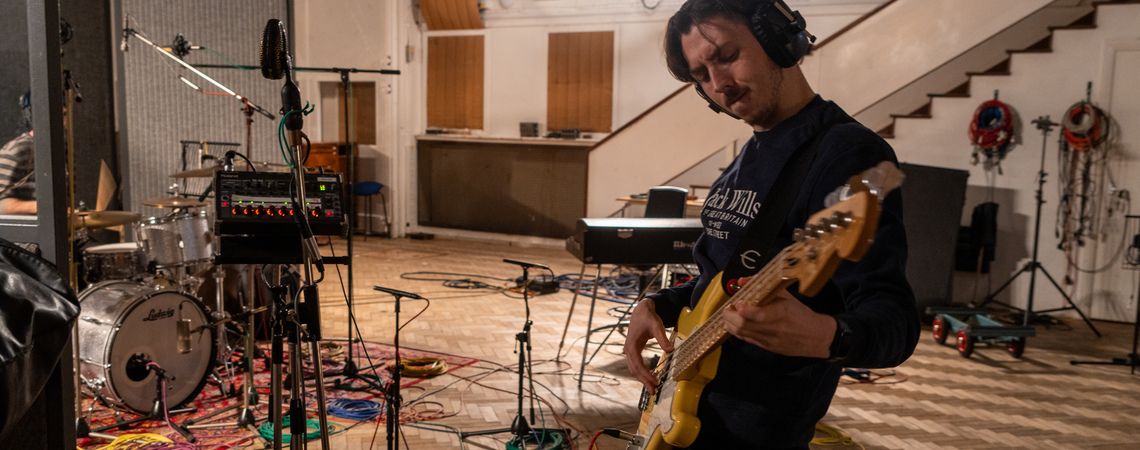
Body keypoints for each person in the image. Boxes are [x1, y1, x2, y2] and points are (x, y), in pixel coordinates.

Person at [622, 0, 919, 447]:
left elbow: (895, 321)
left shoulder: (848, 155)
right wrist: (660, 305)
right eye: (702, 75)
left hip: (756, 430)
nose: (719, 84)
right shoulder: (747, 156)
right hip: (688, 410)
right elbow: (724, 279)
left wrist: (826, 335)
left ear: (779, 39)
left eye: (726, 56)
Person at [0, 91, 37, 215]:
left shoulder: (65, 151)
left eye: (65, 114)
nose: (64, 122)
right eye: (61, 115)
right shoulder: (18, 149)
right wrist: (40, 207)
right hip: (25, 234)